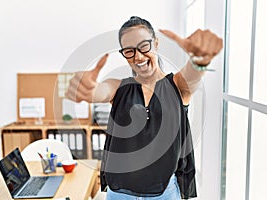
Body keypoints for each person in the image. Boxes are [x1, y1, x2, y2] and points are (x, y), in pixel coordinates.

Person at [66, 16, 223, 199]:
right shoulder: (118, 88)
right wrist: (89, 90)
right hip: (120, 194)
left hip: (165, 193)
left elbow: (193, 74)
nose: (138, 56)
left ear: (156, 43)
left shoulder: (178, 86)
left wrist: (199, 60)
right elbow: (101, 91)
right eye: (129, 51)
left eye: (143, 46)